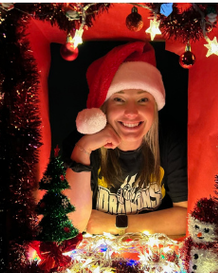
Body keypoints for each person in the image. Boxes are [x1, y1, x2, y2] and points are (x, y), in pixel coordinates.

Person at [61, 41, 188, 237]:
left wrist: (117, 223)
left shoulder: (171, 139)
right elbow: (72, 225)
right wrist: (83, 149)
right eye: (119, 99)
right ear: (103, 109)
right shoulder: (79, 144)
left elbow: (185, 219)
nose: (131, 112)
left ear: (154, 106)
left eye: (142, 99)